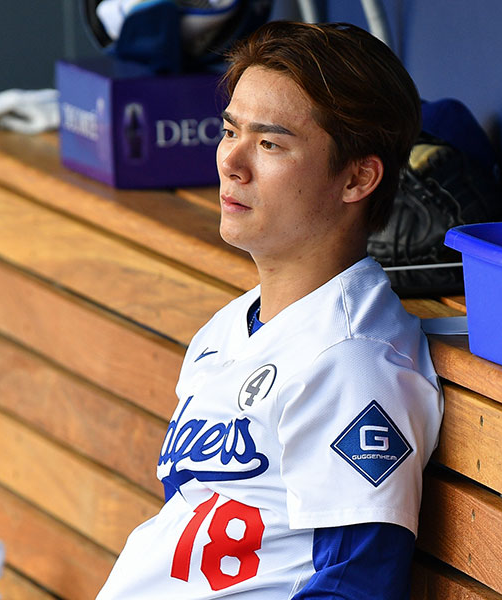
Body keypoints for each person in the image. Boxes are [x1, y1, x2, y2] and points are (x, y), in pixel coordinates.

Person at [96, 20, 443, 599]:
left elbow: (354, 586)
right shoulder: (226, 329)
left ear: (358, 177)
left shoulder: (351, 363)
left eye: (270, 144)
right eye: (230, 131)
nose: (232, 162)